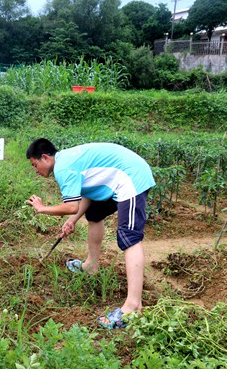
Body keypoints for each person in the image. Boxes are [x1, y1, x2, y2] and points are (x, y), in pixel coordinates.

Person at [25, 139, 155, 329]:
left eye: (35, 165)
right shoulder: (66, 161)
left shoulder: (63, 168)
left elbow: (70, 206)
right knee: (94, 213)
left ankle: (132, 307)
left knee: (129, 237)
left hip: (131, 177)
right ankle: (91, 265)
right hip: (117, 178)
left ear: (45, 158)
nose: (36, 170)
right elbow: (86, 193)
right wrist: (72, 220)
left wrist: (42, 209)